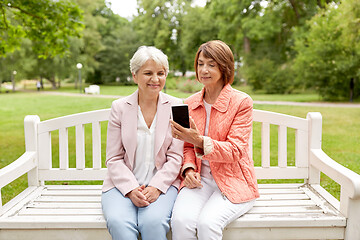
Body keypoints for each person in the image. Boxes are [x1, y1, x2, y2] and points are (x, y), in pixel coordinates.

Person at [170, 40, 259, 240]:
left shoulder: (242, 102)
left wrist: (200, 140)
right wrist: (189, 169)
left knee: (207, 224)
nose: (204, 70)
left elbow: (236, 150)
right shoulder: (190, 103)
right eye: (201, 64)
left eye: (211, 64)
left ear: (224, 67)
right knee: (180, 222)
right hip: (201, 181)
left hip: (233, 182)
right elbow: (186, 146)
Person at [101, 46, 183, 240]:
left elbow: (176, 157)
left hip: (163, 185)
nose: (155, 79)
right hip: (121, 185)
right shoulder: (119, 107)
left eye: (160, 73)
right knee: (119, 223)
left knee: (153, 222)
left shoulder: (178, 106)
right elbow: (113, 158)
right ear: (135, 75)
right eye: (148, 73)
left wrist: (156, 187)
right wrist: (130, 189)